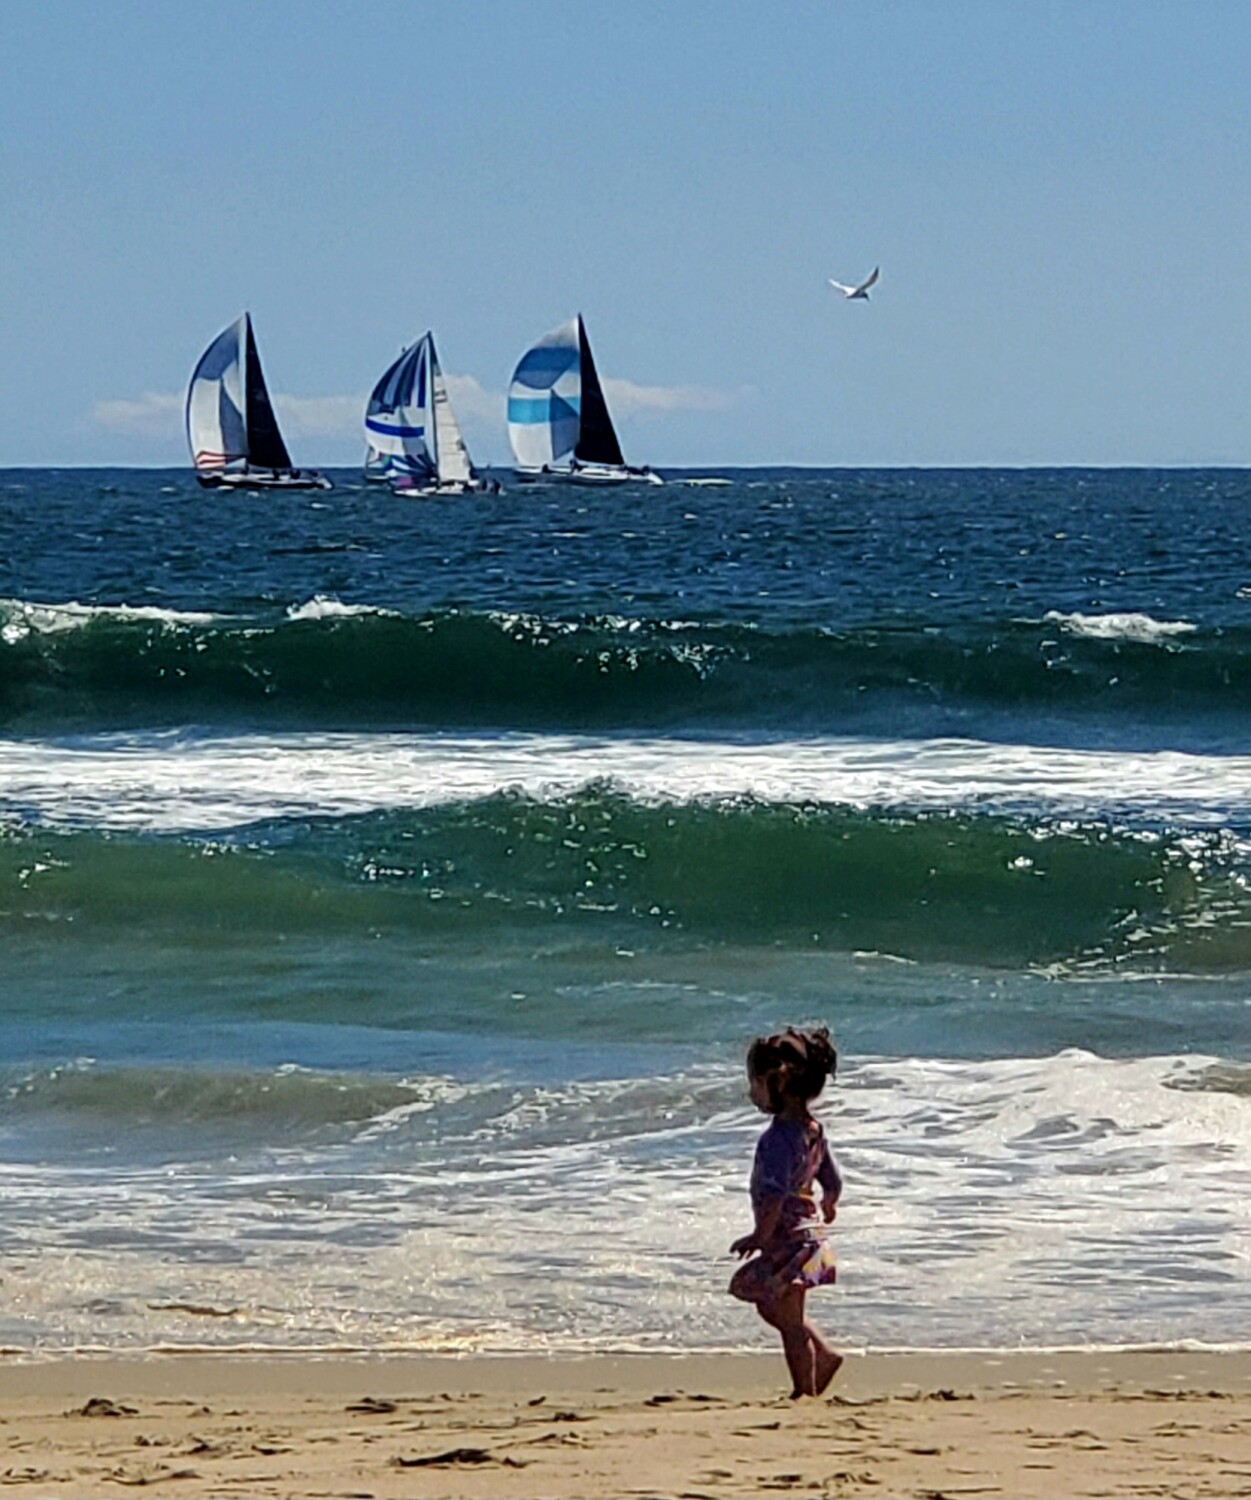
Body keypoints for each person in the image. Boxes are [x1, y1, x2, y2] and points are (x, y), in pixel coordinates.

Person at [729, 1025, 843, 1399]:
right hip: (806, 1235)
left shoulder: (778, 1138)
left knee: (790, 1322)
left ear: (775, 1083)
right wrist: (829, 1202)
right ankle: (822, 1356)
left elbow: (776, 1195)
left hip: (787, 1238)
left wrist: (760, 1235)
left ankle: (804, 1392)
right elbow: (832, 1178)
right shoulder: (813, 1130)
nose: (751, 1093)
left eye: (755, 1084)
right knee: (772, 1305)